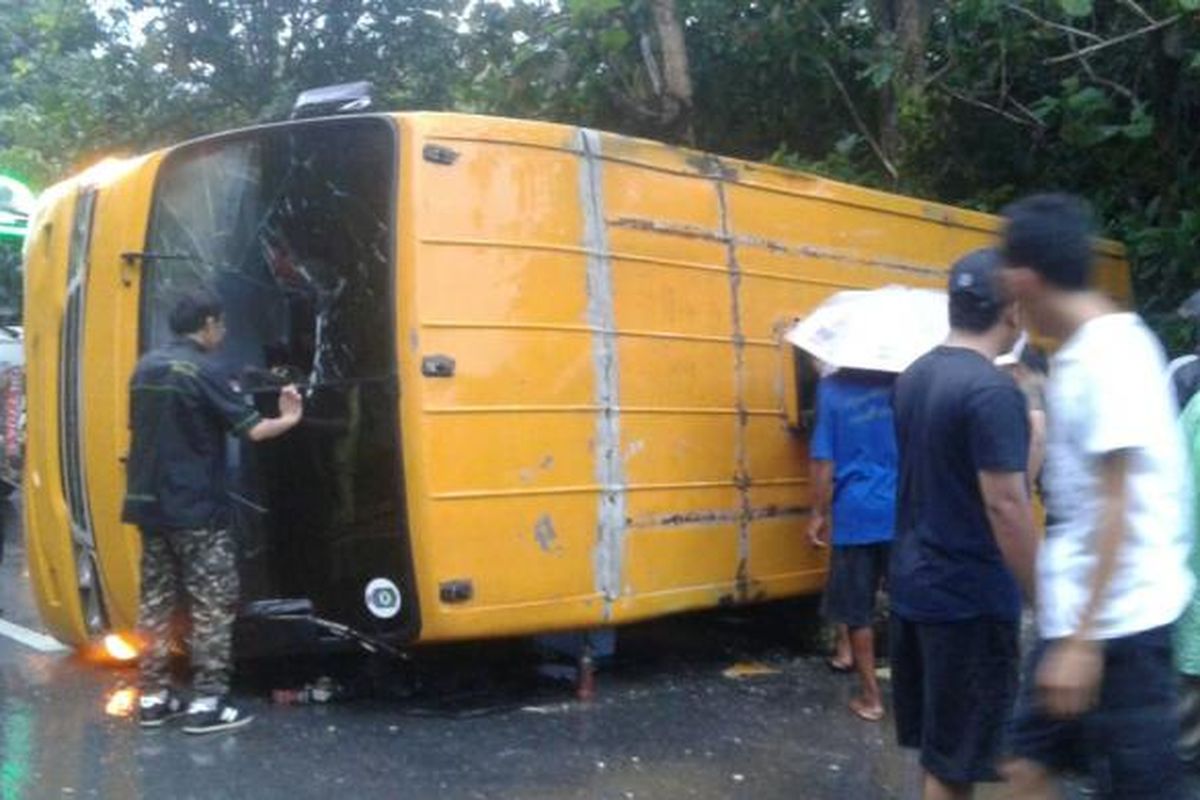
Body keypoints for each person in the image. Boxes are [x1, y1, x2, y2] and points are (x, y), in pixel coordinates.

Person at [999, 194, 1192, 798]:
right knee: (1021, 768)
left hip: (1120, 630)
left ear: (1025, 278)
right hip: (1080, 615)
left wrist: (1084, 642)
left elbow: (1120, 504)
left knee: (1139, 789)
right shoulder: (1085, 353)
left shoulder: (1113, 355)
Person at [890, 247, 1040, 800]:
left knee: (944, 754)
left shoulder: (913, 376)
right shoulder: (990, 390)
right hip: (968, 601)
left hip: (915, 585)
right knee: (961, 760)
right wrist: (1040, 594)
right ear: (1012, 311)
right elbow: (1007, 505)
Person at [124, 289, 303, 734]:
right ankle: (208, 703)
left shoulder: (145, 367)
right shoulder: (206, 370)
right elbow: (253, 430)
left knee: (156, 604)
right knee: (211, 605)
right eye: (220, 324)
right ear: (206, 324)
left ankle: (152, 697)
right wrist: (289, 417)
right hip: (197, 509)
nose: (222, 332)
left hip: (150, 506)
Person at [807, 368, 898, 722]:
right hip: (902, 510)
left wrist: (817, 512)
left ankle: (872, 699)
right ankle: (915, 697)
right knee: (908, 605)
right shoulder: (903, 384)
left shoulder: (831, 389)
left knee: (857, 611)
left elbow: (823, 460)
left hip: (855, 514)